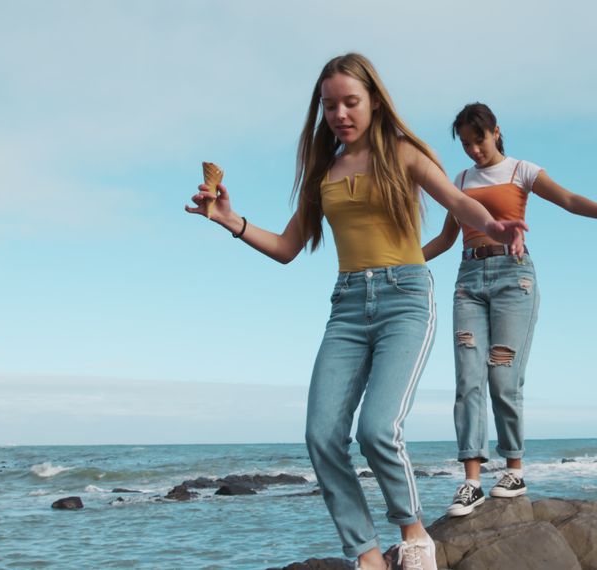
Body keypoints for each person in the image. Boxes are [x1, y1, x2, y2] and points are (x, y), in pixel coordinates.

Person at [185, 56, 526, 570]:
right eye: (329, 105)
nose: (340, 113)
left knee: (377, 429)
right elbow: (285, 247)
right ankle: (367, 554)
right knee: (321, 435)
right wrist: (230, 219)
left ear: (373, 100)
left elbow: (458, 200)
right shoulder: (323, 172)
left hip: (405, 297)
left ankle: (414, 534)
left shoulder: (402, 154)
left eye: (350, 102)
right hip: (346, 305)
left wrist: (496, 227)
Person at [421, 102, 597, 517]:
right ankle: (471, 482)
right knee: (467, 378)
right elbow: (446, 239)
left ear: (496, 132)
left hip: (513, 279)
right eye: (465, 144)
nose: (473, 151)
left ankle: (513, 471)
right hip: (468, 282)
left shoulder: (522, 171)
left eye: (478, 140)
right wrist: (405, 258)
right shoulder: (460, 180)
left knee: (502, 376)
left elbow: (568, 199)